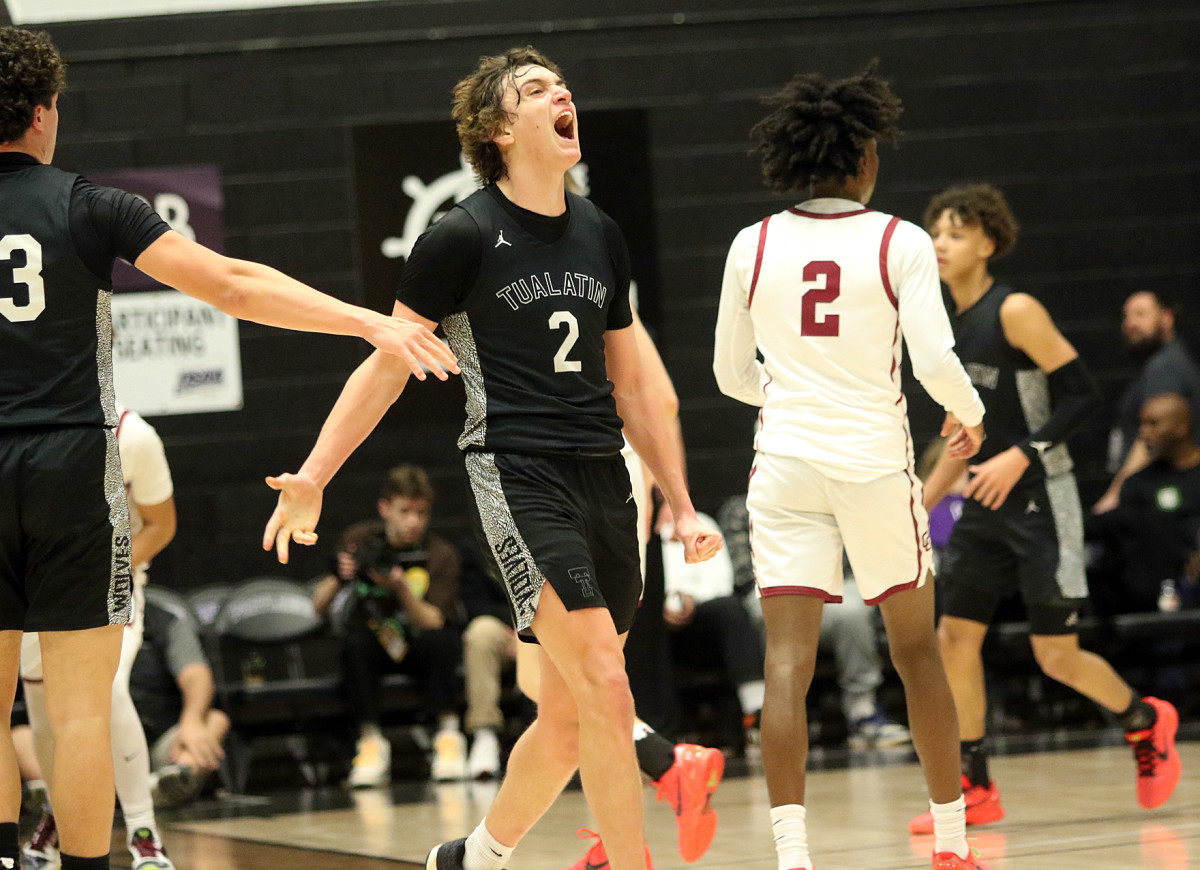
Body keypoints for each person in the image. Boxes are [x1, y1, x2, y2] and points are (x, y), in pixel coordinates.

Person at [0, 26, 456, 870]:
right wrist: (364, 319)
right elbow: (234, 285)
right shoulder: (88, 204)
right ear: (43, 111)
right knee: (75, 713)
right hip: (68, 467)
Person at [262, 47, 721, 870]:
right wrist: (315, 474)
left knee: (572, 716)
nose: (562, 93)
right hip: (517, 473)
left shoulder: (600, 233)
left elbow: (636, 385)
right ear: (501, 128)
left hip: (601, 476)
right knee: (611, 693)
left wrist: (681, 502)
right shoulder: (461, 234)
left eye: (561, 84)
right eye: (538, 90)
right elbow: (388, 363)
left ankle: (473, 857)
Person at [713, 66, 991, 870]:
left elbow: (732, 377)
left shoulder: (751, 244)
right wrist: (971, 413)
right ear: (865, 156)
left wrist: (790, 394)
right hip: (873, 463)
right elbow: (936, 360)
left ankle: (793, 858)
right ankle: (951, 846)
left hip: (786, 467)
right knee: (915, 654)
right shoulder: (899, 239)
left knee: (787, 665)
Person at [914, 182, 1181, 836]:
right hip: (982, 499)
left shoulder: (1016, 310)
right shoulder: (946, 322)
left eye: (955, 231)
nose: (942, 242)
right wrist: (919, 504)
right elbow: (962, 427)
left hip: (1040, 495)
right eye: (936, 232)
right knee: (955, 637)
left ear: (988, 241)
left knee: (1054, 654)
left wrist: (1022, 455)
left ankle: (1145, 722)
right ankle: (974, 785)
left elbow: (1083, 394)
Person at [20, 403, 179, 868]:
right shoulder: (24, 426)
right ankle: (58, 818)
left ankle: (143, 831)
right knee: (45, 712)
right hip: (36, 593)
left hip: (111, 587)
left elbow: (161, 526)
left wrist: (101, 572)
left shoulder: (133, 435)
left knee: (103, 692)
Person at [311, 464, 465, 786]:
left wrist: (401, 588)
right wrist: (339, 577)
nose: (414, 521)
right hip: (374, 640)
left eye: (422, 512)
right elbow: (318, 606)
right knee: (354, 643)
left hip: (420, 644)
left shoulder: (440, 553)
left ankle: (448, 738)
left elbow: (433, 620)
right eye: (405, 511)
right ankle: (370, 743)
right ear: (385, 508)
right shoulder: (360, 540)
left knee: (442, 640)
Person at [718, 495, 912, 750]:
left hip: (832, 587)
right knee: (768, 611)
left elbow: (852, 561)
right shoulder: (740, 509)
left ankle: (862, 711)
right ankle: (778, 717)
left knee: (853, 610)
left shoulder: (829, 499)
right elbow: (744, 573)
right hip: (771, 589)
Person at [1089, 393, 1200, 615]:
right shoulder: (1137, 483)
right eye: (1142, 424)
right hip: (1158, 592)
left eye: (1153, 424)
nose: (1143, 432)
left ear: (1181, 427)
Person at [1094, 291, 1200, 514]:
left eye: (1141, 314)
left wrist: (1115, 495)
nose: (1130, 323)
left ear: (1166, 318)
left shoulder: (1164, 367)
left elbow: (1151, 435)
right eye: (1127, 316)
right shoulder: (1161, 362)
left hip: (1154, 497)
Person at [128, 596, 230, 809]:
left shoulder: (163, 620)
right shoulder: (79, 621)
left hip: (158, 737)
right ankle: (54, 797)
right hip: (100, 741)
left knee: (215, 720)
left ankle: (164, 788)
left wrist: (192, 721)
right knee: (39, 733)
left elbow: (196, 675)